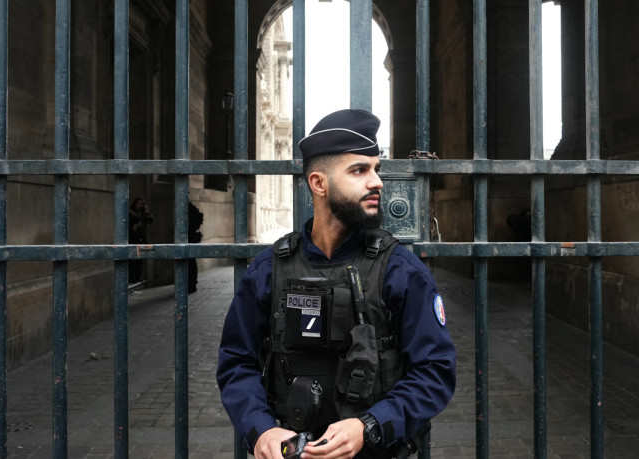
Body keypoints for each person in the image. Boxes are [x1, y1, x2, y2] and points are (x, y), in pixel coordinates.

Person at [216, 109, 456, 459]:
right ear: (319, 183)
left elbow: (435, 371)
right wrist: (262, 429)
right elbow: (236, 362)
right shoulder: (269, 270)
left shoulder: (400, 271)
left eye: (376, 169)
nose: (377, 182)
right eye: (359, 170)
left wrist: (370, 425)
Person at [129, 197, 154, 283]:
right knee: (132, 259)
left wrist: (147, 211)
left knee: (140, 258)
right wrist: (135, 226)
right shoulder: (130, 213)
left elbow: (150, 220)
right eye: (139, 203)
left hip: (141, 237)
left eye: (142, 204)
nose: (140, 205)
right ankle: (132, 277)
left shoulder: (142, 214)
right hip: (133, 237)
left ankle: (138, 275)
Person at [188, 202, 204, 293]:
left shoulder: (190, 208)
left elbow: (199, 217)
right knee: (191, 262)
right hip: (190, 236)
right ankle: (191, 284)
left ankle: (191, 284)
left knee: (190, 262)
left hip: (189, 236)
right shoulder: (191, 208)